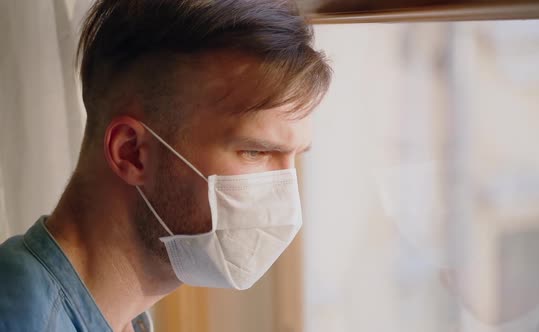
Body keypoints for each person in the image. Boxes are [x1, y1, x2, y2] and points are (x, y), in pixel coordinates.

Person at [0, 0, 332, 331]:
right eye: (255, 152)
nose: (286, 200)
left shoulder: (121, 318)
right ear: (131, 152)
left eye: (294, 157)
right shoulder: (24, 319)